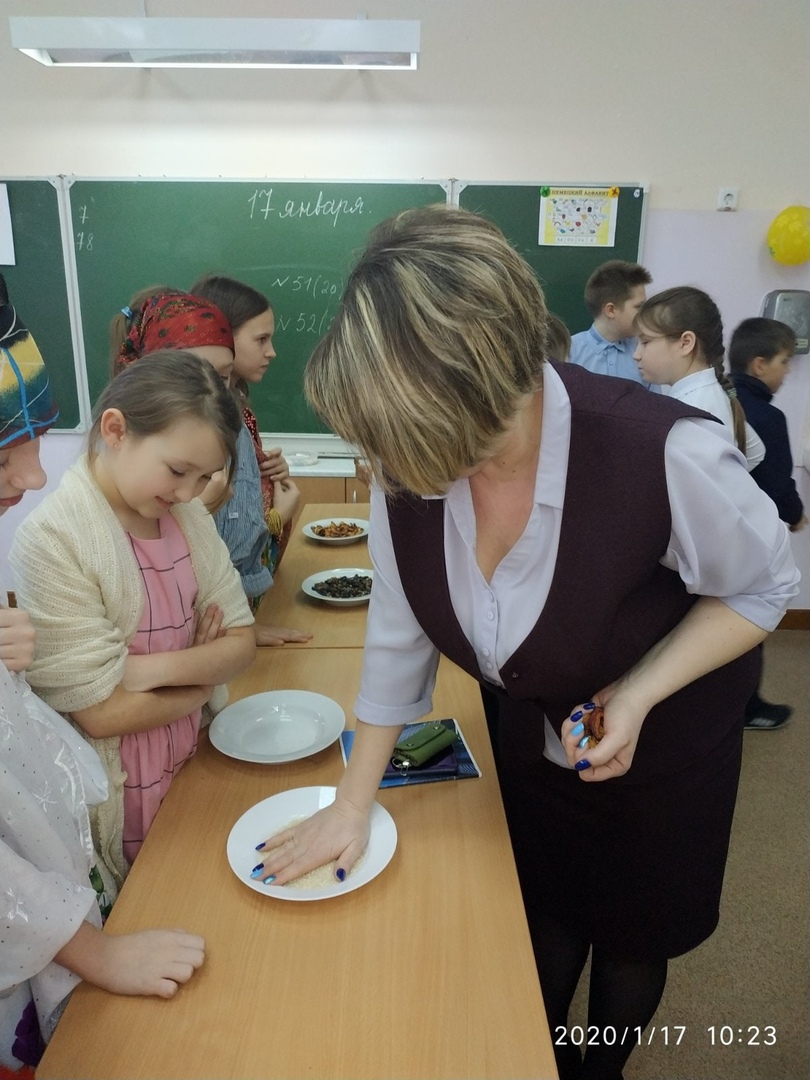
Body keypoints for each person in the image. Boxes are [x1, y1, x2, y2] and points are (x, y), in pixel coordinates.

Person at [253, 206, 798, 1080]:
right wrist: (352, 802)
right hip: (532, 729)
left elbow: (764, 584)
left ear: (500, 382)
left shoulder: (663, 451)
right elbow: (399, 631)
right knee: (542, 907)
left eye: (433, 447)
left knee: (631, 935)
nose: (408, 476)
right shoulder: (407, 462)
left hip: (665, 744)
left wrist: (639, 692)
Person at [0, 278, 204, 1075]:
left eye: (35, 440)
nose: (32, 477)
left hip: (56, 907)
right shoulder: (65, 535)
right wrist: (96, 952)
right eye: (5, 450)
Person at [9, 352, 256, 888]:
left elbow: (241, 642)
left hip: (191, 761)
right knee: (147, 895)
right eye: (178, 471)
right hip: (117, 796)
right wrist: (201, 680)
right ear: (116, 430)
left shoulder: (186, 517)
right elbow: (101, 714)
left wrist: (142, 671)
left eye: (205, 477)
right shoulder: (54, 538)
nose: (188, 493)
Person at [114, 288, 307, 647]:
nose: (214, 393)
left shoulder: (229, 425)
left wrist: (236, 629)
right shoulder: (98, 515)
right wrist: (273, 519)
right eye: (177, 471)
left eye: (224, 377)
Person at [189, 274, 311, 647]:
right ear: (224, 338)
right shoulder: (219, 420)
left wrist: (267, 479)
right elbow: (227, 537)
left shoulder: (237, 406)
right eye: (261, 339)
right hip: (227, 615)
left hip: (234, 611)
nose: (271, 352)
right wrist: (277, 517)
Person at [729, 316, 806, 730]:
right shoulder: (768, 417)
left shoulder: (718, 401)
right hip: (752, 542)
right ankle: (748, 707)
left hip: (715, 536)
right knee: (750, 620)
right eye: (784, 361)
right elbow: (778, 484)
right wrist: (795, 515)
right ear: (759, 364)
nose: (787, 370)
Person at [633, 286, 766, 470]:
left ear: (685, 343)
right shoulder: (712, 392)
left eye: (645, 342)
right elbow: (756, 451)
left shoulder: (689, 410)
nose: (636, 355)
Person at [569, 259, 652, 384]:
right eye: (638, 307)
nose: (645, 313)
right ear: (611, 310)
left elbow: (654, 396)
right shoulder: (570, 353)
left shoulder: (643, 352)